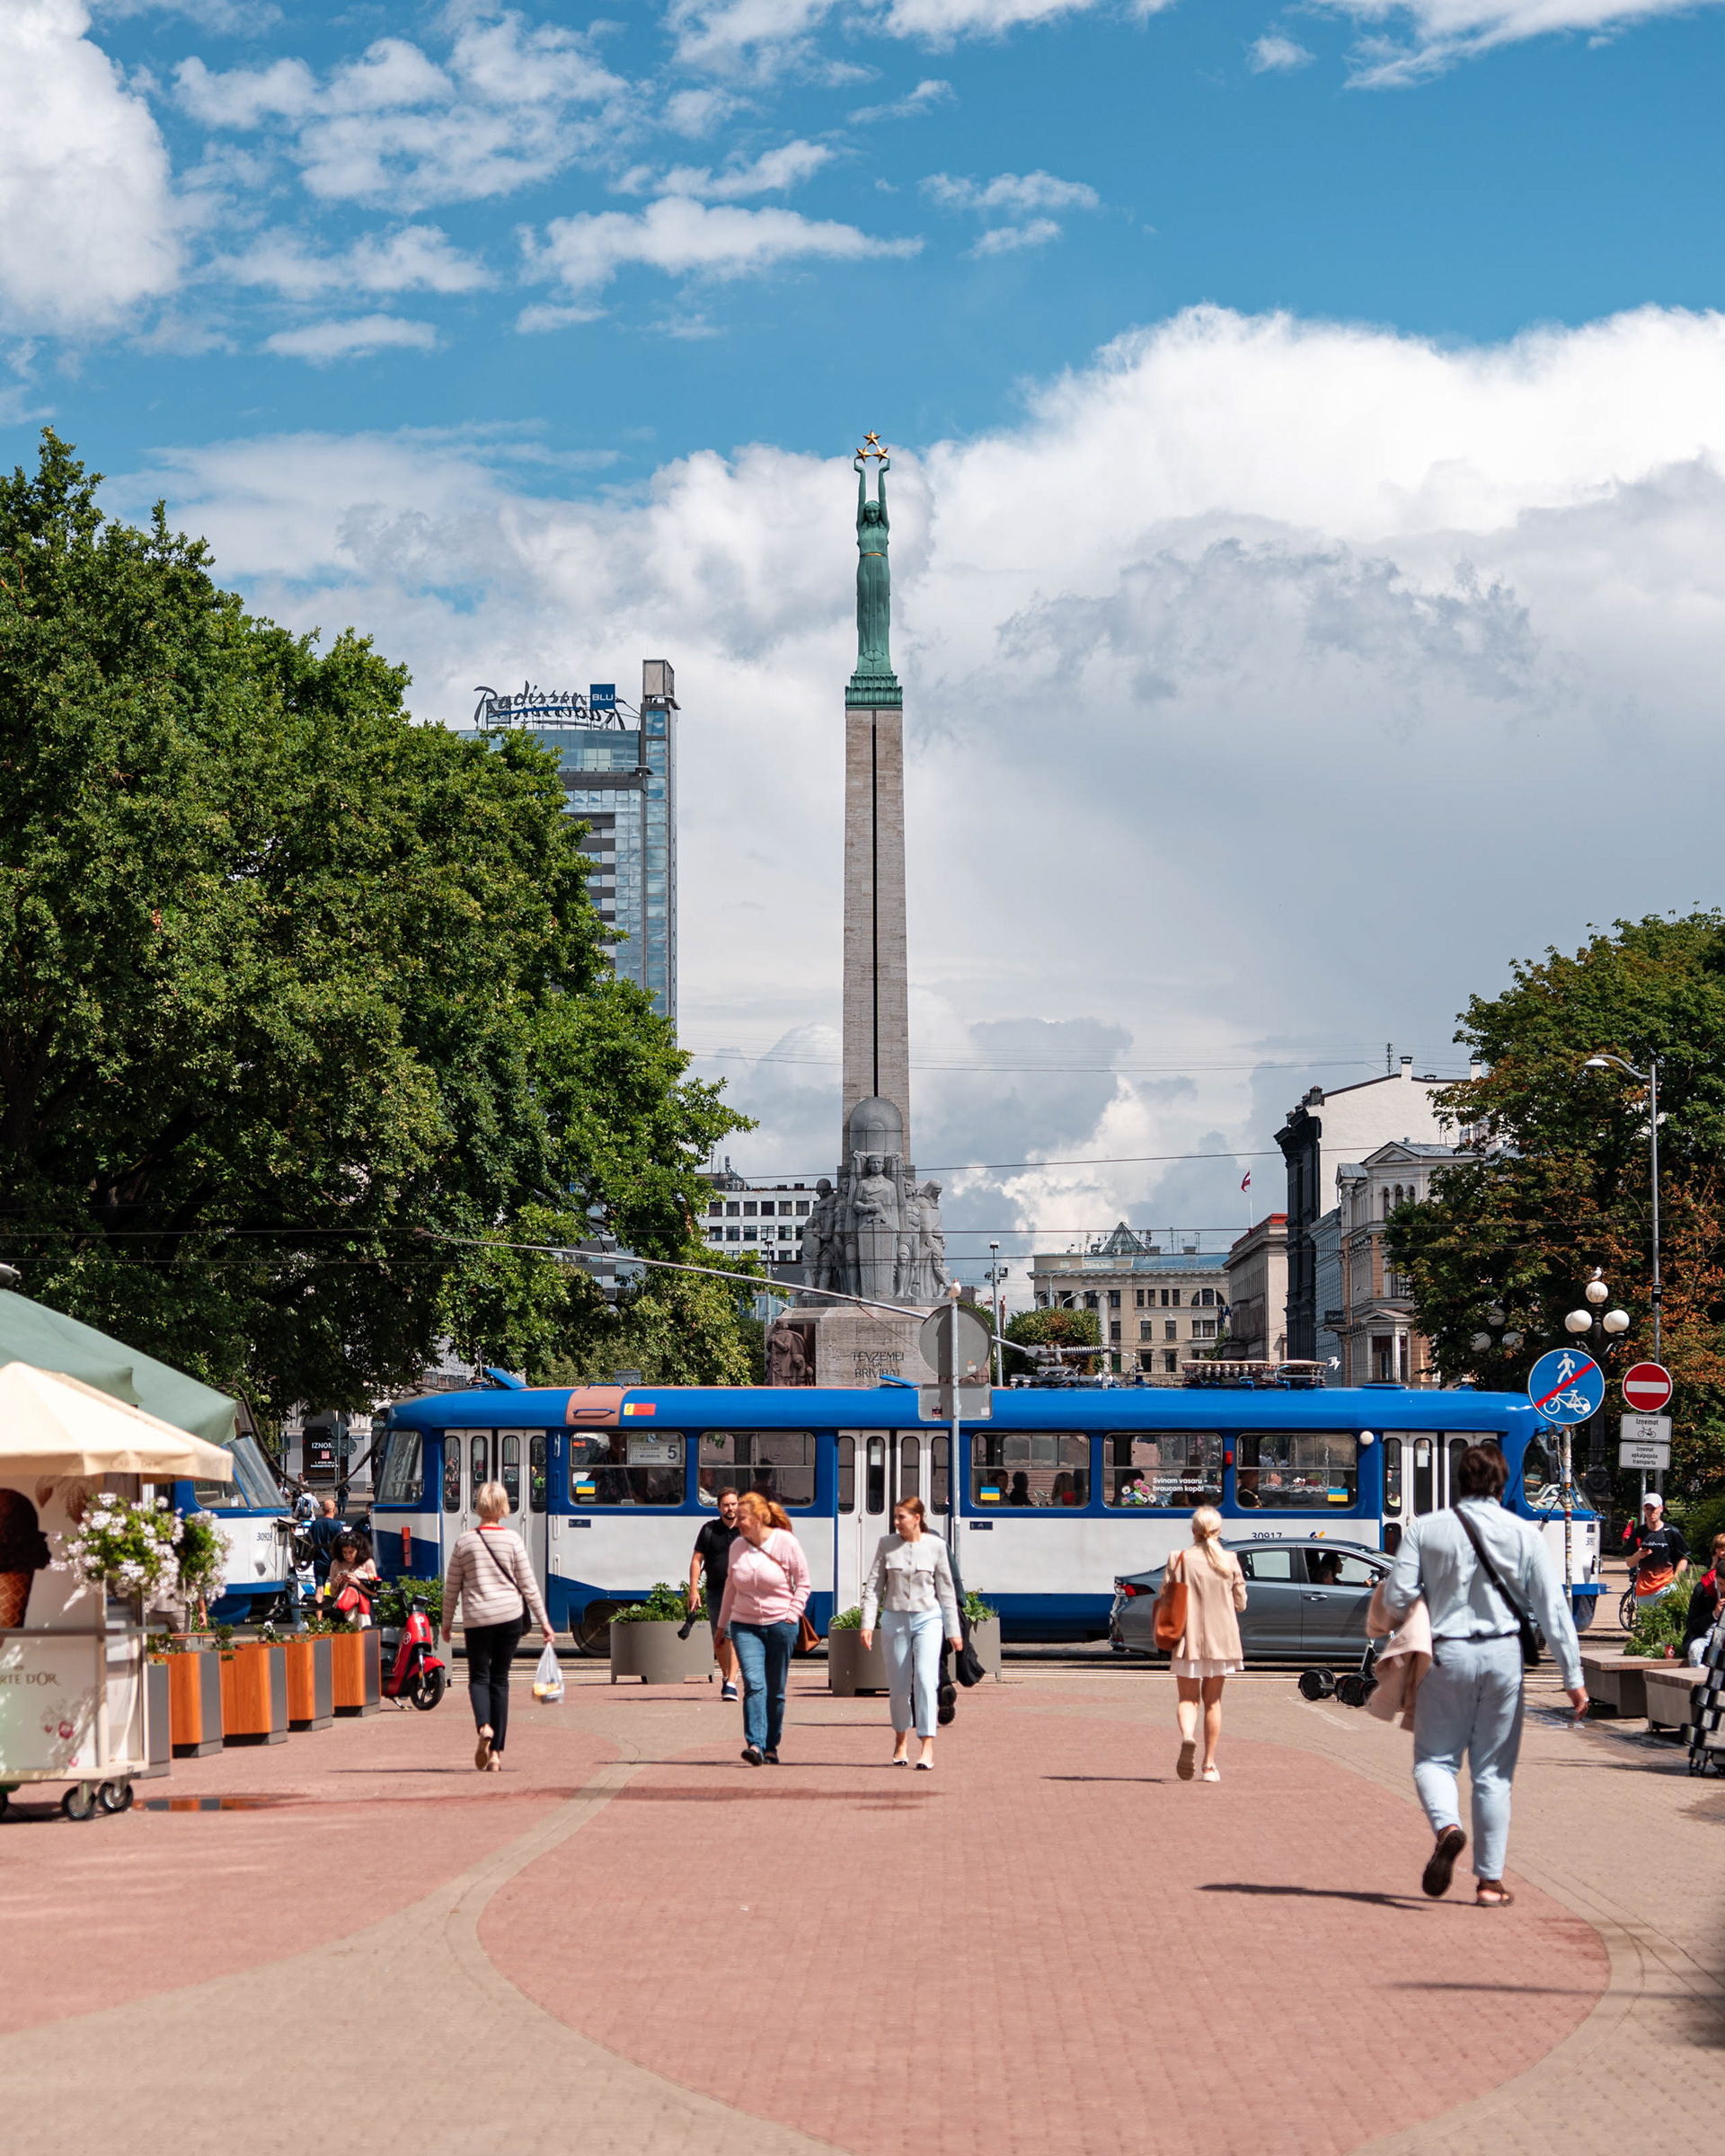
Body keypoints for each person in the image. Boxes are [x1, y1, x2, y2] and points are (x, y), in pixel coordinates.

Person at [1381, 1443, 1587, 1908]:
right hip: (1504, 1656)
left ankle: (1448, 1828)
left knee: (1434, 1760)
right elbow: (1553, 1611)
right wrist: (1573, 1677)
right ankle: (1490, 1884)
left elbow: (1396, 1598)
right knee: (1493, 1774)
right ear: (1501, 1482)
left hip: (1446, 1654)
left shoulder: (1425, 1529)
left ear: (1459, 1480)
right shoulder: (1525, 1534)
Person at [441, 1480, 554, 1772]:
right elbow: (529, 1585)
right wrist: (544, 1622)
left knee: (479, 1677)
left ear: (479, 1506)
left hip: (477, 1618)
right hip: (509, 1617)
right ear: (503, 1507)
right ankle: (495, 1755)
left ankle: (483, 1728)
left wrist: (445, 1623)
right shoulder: (513, 1541)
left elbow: (452, 1586)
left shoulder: (464, 1542)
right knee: (500, 1680)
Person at [859, 1498, 962, 1769]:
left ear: (917, 1518)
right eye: (895, 1517)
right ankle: (900, 1738)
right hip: (895, 1619)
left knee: (927, 1681)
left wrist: (953, 1630)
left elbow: (947, 1592)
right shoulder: (887, 1545)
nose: (896, 1523)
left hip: (928, 1619)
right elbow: (873, 1588)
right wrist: (867, 1624)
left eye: (901, 1517)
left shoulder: (937, 1546)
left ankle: (927, 1745)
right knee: (899, 1687)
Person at [715, 1491, 809, 1766]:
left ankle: (771, 1745)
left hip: (782, 1625)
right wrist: (722, 1627)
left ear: (758, 1518)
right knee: (754, 1685)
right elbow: (731, 1587)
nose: (737, 1521)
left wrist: (792, 1615)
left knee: (776, 1690)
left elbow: (803, 1583)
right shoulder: (737, 1546)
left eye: (742, 1518)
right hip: (745, 1626)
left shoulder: (786, 1542)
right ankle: (755, 1745)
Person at [1163, 1506, 1247, 1783]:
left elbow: (1167, 1596)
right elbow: (1241, 1604)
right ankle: (1209, 1766)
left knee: (1188, 1699)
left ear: (1193, 1531)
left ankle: (1188, 1737)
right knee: (1213, 1702)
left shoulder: (1179, 1558)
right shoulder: (1230, 1559)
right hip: (1222, 1640)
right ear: (1219, 1531)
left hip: (1188, 1638)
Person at [691, 1487, 743, 1701]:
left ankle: (731, 1683)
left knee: (732, 1635)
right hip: (716, 1591)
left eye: (733, 1504)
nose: (730, 1508)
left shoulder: (746, 1529)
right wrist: (693, 1590)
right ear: (719, 1507)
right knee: (719, 1637)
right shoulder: (709, 1530)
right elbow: (697, 1560)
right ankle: (726, 1675)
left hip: (742, 1592)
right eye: (726, 1505)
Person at [1623, 1494, 1688, 1615]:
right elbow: (1629, 1562)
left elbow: (1683, 1557)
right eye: (1647, 1509)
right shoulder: (1639, 1533)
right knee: (1648, 1626)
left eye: (1653, 1508)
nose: (1650, 1512)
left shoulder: (1671, 1532)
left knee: (1664, 1622)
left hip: (1666, 1586)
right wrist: (1638, 1555)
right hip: (1645, 1588)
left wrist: (1676, 1579)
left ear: (1661, 1509)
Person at [1683, 1534, 1725, 1663]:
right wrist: (1714, 1614)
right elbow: (1692, 1624)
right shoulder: (1703, 1589)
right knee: (1695, 1650)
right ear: (1717, 1579)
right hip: (1707, 1635)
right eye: (1722, 1584)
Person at [327, 1532, 380, 1624]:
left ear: (359, 1550)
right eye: (344, 1552)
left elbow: (374, 1592)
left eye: (351, 1552)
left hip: (364, 1609)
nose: (347, 1556)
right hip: (342, 1610)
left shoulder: (367, 1563)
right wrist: (336, 1582)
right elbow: (332, 1594)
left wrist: (357, 1583)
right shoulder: (335, 1564)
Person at [307, 1496, 345, 1591]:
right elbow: (342, 1543)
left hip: (319, 1561)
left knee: (319, 1588)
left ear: (323, 1510)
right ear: (334, 1510)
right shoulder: (337, 1526)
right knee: (337, 1587)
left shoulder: (315, 1524)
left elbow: (308, 1540)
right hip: (334, 1561)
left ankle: (318, 1604)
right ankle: (335, 1605)